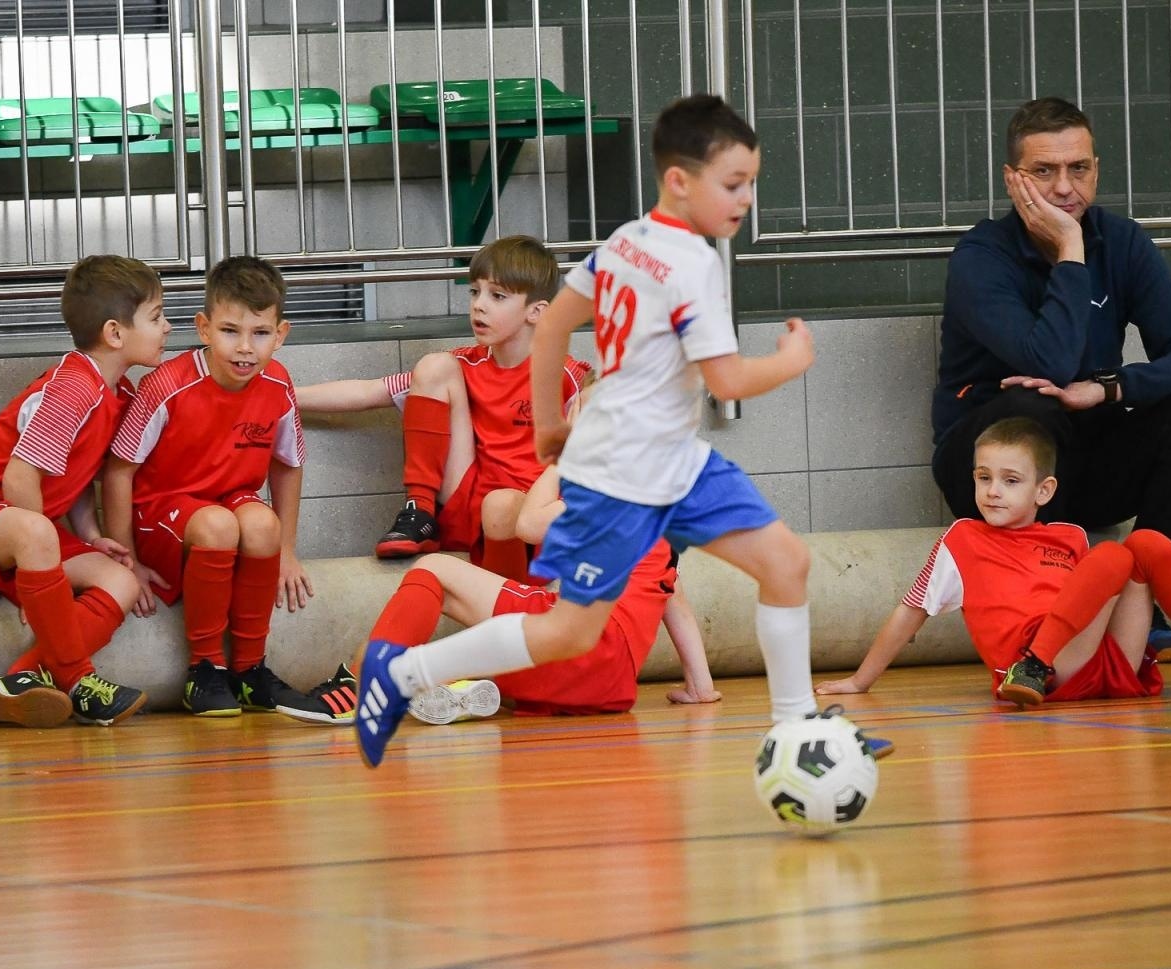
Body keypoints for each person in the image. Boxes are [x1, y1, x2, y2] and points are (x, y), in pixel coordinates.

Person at [353, 93, 891, 766]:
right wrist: (790, 361)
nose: (746, 197)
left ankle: (799, 732)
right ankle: (404, 674)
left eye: (751, 182)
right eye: (732, 184)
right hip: (627, 473)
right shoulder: (695, 265)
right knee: (568, 633)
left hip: (668, 461)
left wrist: (548, 424)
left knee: (786, 563)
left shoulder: (624, 243)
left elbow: (552, 324)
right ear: (678, 181)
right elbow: (726, 382)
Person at [931, 96, 1171, 659]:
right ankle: (1057, 617)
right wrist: (1070, 251)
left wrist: (1110, 388)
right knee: (1036, 408)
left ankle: (1157, 602)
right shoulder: (980, 256)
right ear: (1012, 179)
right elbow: (1047, 363)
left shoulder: (1122, 241)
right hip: (986, 470)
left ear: (1097, 168)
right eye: (1044, 172)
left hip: (1083, 452)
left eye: (1079, 169)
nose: (1065, 188)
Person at [818, 418, 1171, 705]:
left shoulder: (1066, 536)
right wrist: (860, 681)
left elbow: (1097, 597)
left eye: (1009, 480)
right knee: (1111, 554)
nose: (992, 491)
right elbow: (911, 610)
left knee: (1144, 544)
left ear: (1043, 491)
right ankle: (1033, 665)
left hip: (1099, 660)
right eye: (984, 478)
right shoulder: (962, 537)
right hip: (1038, 671)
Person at [0, 255, 168, 727]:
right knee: (37, 534)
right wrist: (42, 574)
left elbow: (71, 477)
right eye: (157, 317)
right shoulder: (74, 386)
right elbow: (19, 478)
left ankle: (20, 679)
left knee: (120, 578)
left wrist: (91, 534)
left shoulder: (115, 394)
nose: (167, 328)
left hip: (16, 528)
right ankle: (79, 680)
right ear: (115, 334)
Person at [104, 255, 329, 718]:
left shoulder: (279, 384)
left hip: (228, 504)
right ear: (204, 329)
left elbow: (288, 466)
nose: (245, 348)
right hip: (162, 513)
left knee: (263, 526)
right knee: (217, 526)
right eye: (230, 331)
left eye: (260, 334)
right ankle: (205, 668)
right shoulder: (165, 385)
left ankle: (250, 670)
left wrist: (286, 549)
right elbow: (118, 471)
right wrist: (126, 559)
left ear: (280, 334)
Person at [328, 462, 719, 725]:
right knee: (512, 652)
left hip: (580, 646)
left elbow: (529, 524)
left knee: (434, 569)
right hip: (611, 690)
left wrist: (559, 461)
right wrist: (700, 689)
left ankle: (365, 681)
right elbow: (677, 605)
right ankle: (451, 685)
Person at [295, 235, 589, 581]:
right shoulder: (465, 365)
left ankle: (507, 594)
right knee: (434, 366)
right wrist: (282, 394)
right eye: (474, 292)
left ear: (536, 312)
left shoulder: (566, 375)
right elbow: (368, 390)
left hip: (527, 518)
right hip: (468, 506)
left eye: (497, 296)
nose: (479, 305)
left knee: (509, 502)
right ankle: (419, 511)